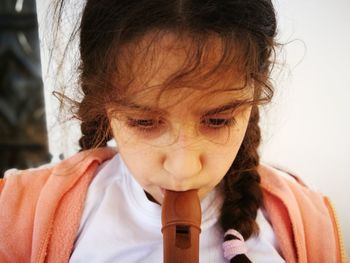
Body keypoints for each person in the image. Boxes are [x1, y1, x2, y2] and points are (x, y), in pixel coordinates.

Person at [0, 0, 347, 262]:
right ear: (104, 104)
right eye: (144, 122)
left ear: (253, 98)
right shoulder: (18, 216)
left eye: (217, 120)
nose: (182, 171)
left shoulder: (304, 222)